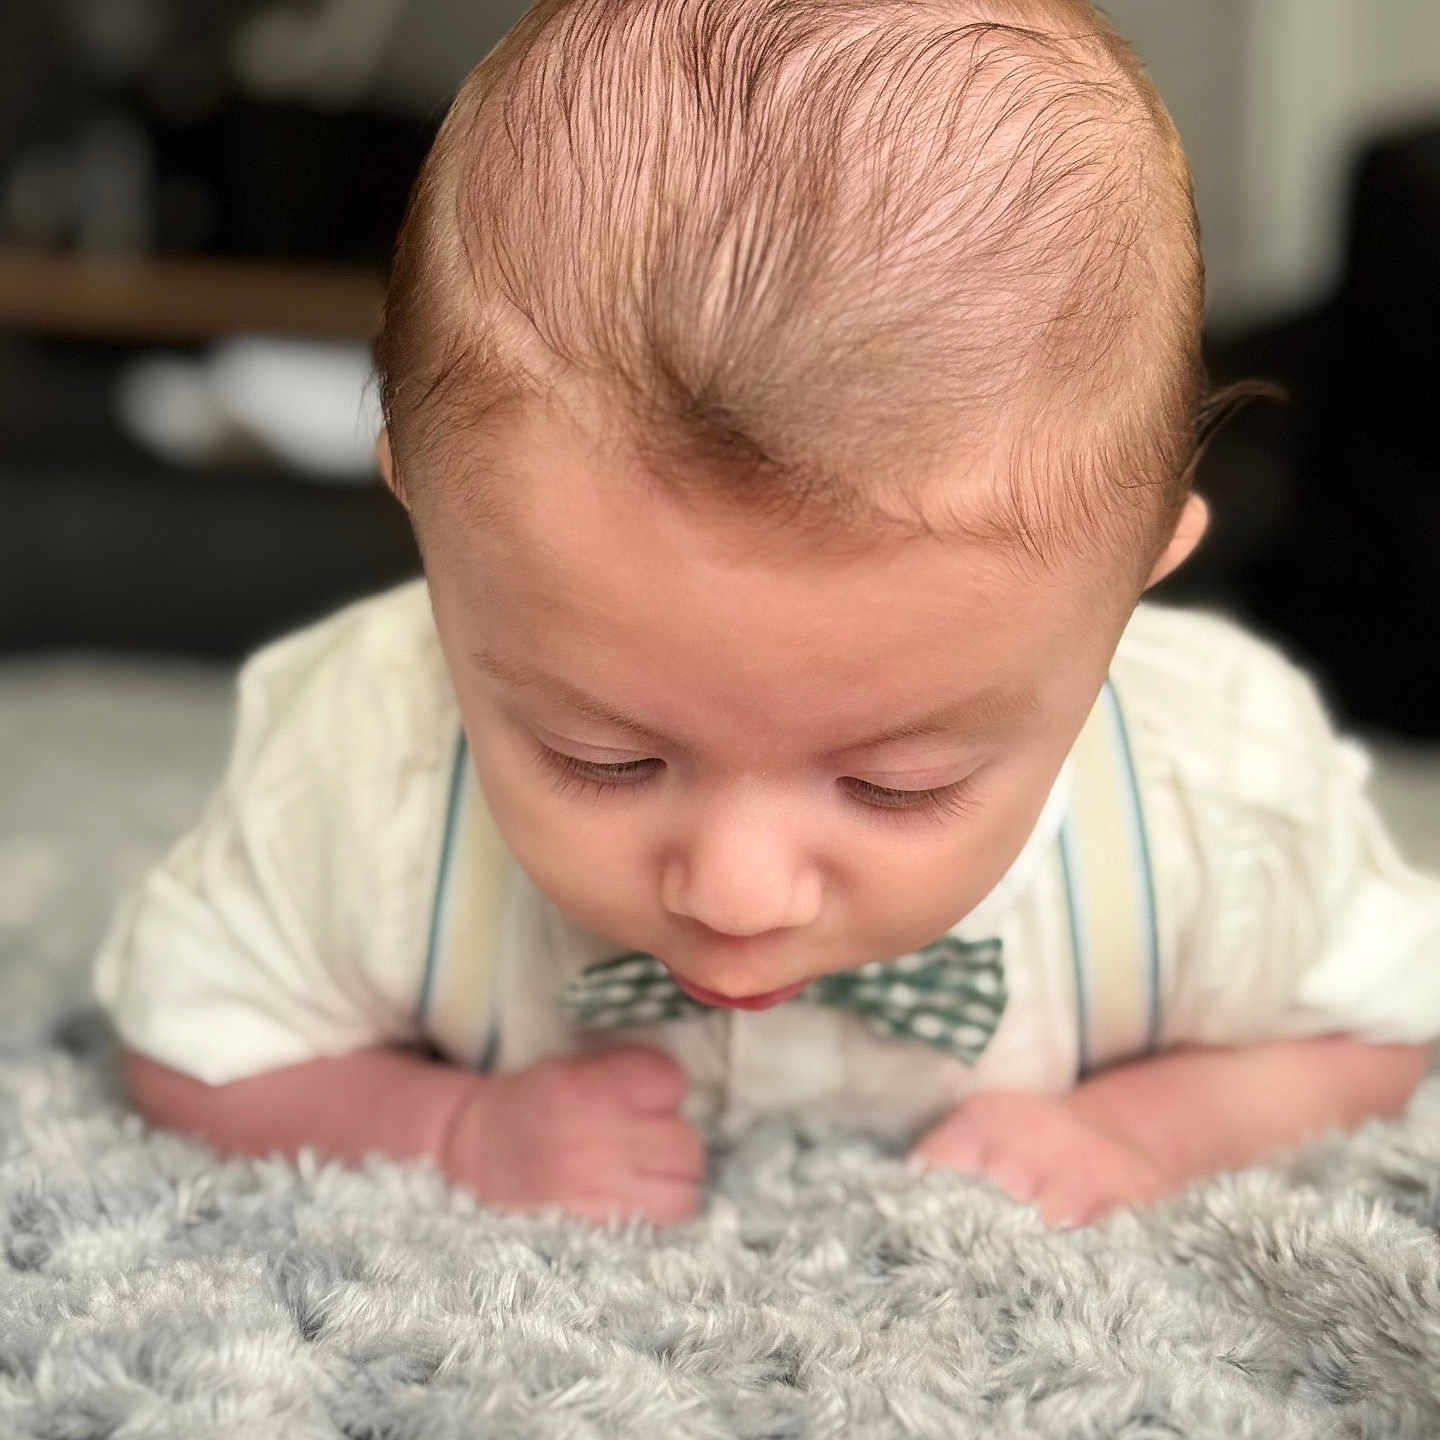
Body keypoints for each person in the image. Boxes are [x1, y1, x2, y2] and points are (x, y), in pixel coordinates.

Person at [96, 0, 1440, 1229]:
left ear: (1136, 581)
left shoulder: (1210, 793)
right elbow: (190, 1038)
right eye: (600, 757)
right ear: (430, 523)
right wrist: (447, 1126)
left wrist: (1143, 1131)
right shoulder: (361, 769)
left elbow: (1380, 1025)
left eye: (898, 782)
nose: (737, 893)